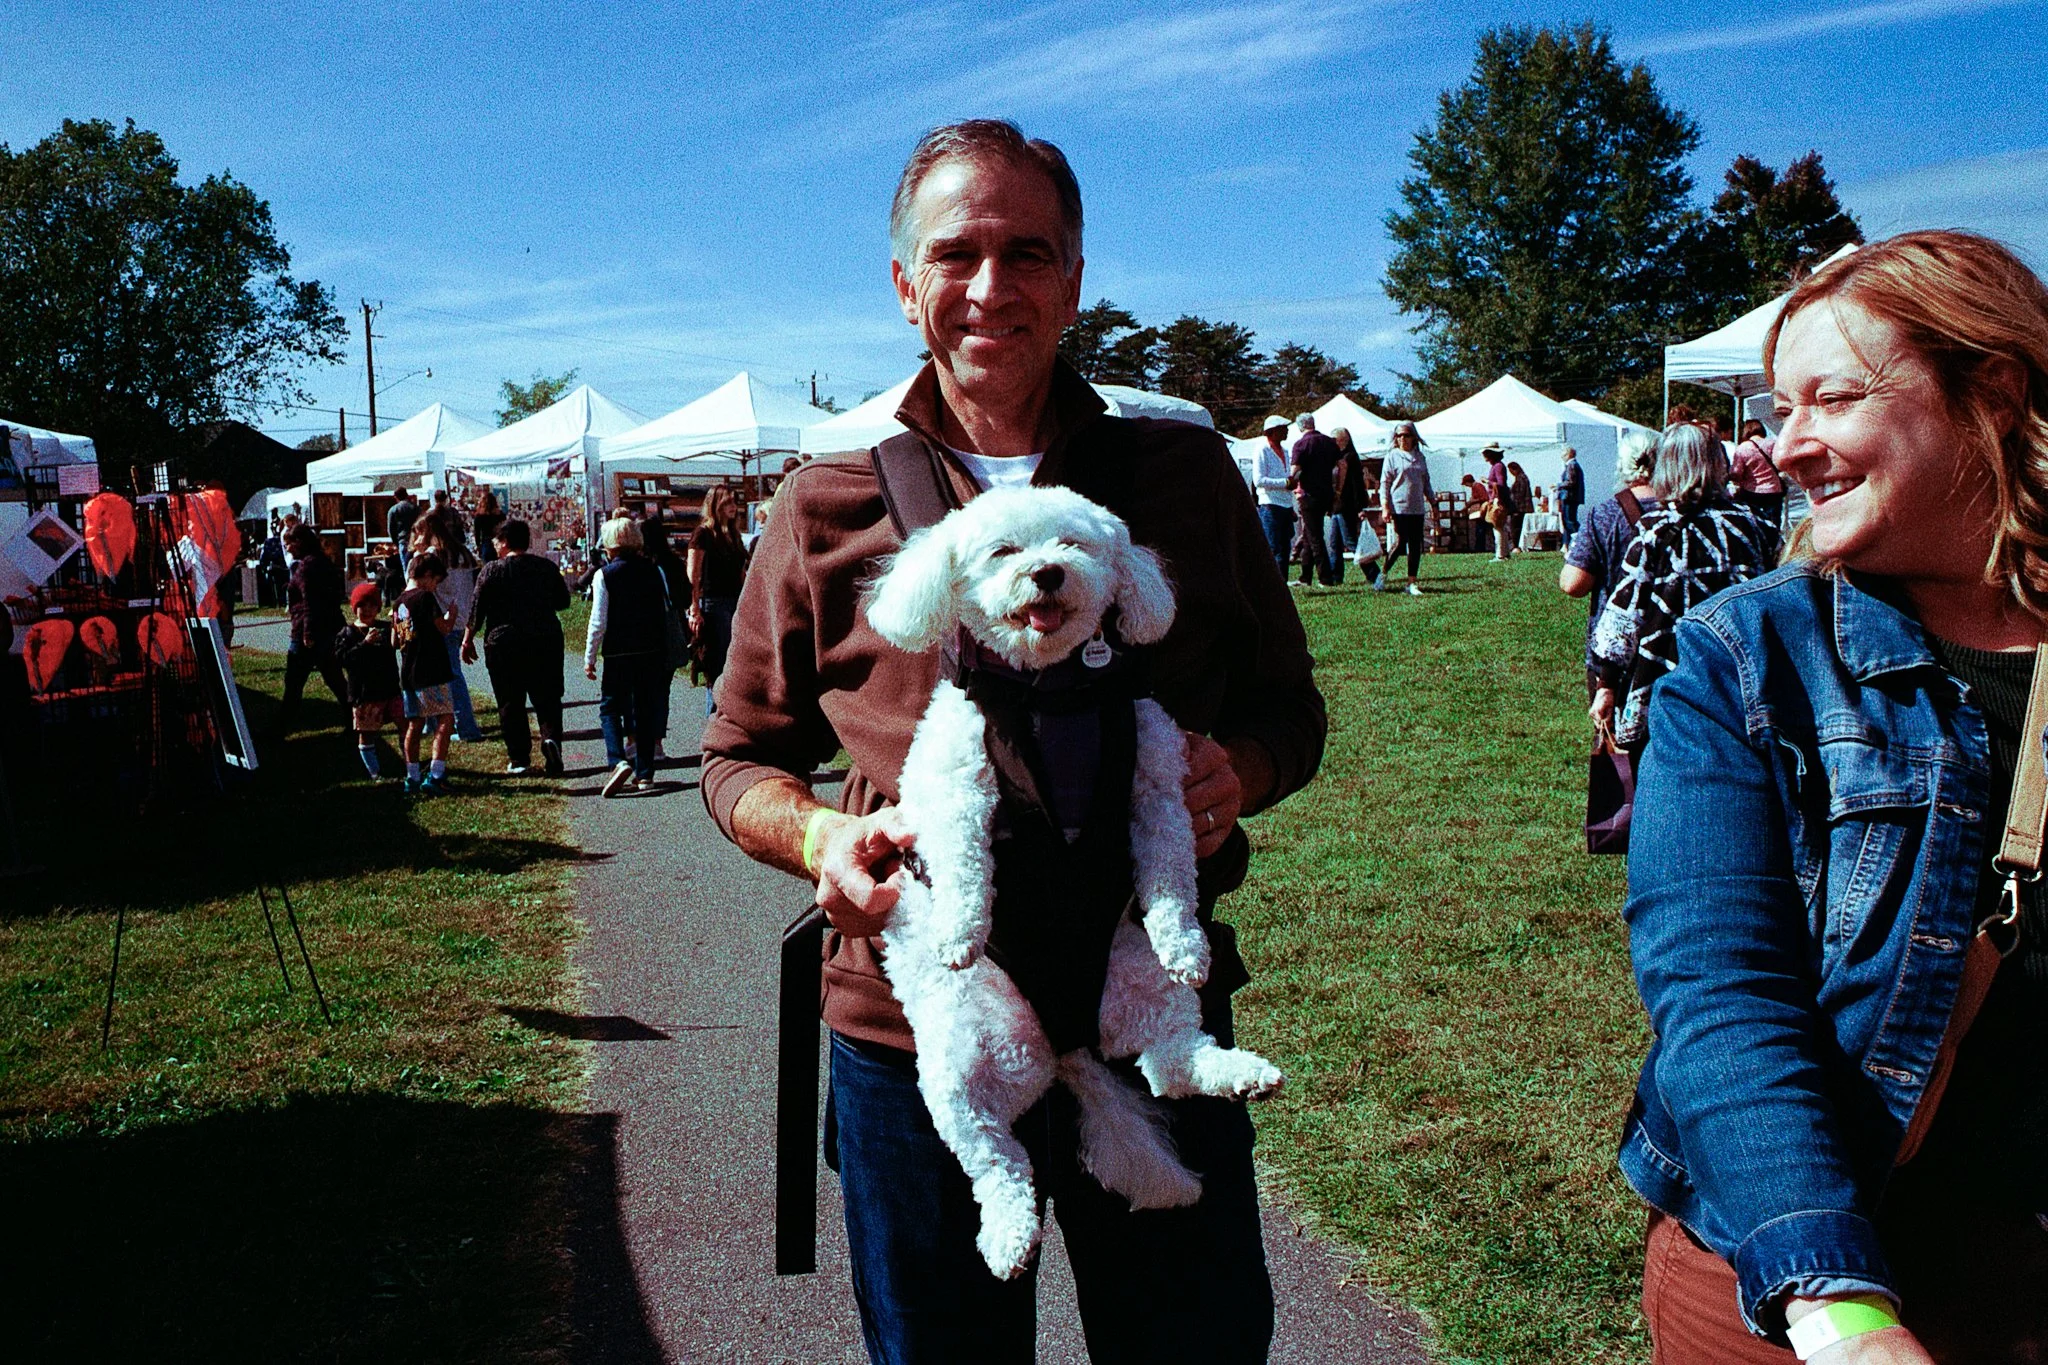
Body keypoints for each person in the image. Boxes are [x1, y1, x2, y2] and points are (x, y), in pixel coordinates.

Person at [699, 118, 1324, 1362]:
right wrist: (820, 836)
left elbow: (1288, 710)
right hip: (918, 1026)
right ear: (904, 284)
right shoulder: (825, 500)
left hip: (1145, 1008)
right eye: (956, 253)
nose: (990, 287)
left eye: (1027, 253)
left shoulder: (1182, 473)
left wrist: (1237, 774)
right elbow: (735, 759)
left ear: (1074, 281)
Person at [1625, 230, 2048, 1363]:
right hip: (1803, 1275)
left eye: (1834, 398)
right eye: (1780, 408)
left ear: (1993, 392)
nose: (1785, 446)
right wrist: (1842, 1312)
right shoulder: (1747, 657)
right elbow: (1718, 993)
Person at [1588, 422, 1780, 747]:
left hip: (1670, 689)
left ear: (1666, 467)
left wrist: (1606, 685)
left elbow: (1623, 622)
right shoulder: (1757, 528)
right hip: (1747, 685)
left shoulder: (1654, 532)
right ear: (1718, 464)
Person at [463, 517, 570, 776]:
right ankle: (550, 740)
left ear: (505, 542)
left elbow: (477, 609)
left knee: (510, 700)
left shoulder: (491, 571)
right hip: (545, 638)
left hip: (504, 642)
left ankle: (520, 758)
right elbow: (563, 601)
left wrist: (467, 640)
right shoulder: (545, 567)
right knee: (548, 697)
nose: (494, 544)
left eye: (496, 540)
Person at [1560, 433, 1660, 691]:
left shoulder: (1605, 514)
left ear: (1621, 466)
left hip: (1614, 655)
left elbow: (1573, 585)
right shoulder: (1679, 511)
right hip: (1668, 649)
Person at [584, 513, 669, 796]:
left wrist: (590, 656)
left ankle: (617, 760)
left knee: (610, 707)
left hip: (618, 651)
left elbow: (599, 621)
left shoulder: (605, 575)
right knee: (644, 709)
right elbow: (663, 610)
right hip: (650, 649)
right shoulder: (655, 570)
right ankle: (645, 774)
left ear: (610, 545)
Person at [412, 508, 486, 743]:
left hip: (442, 618)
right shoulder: (462, 552)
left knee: (449, 676)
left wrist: (417, 554)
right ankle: (440, 723)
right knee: (447, 674)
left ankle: (466, 727)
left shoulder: (433, 555)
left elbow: (417, 583)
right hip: (461, 615)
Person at [394, 550, 457, 796]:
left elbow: (396, 639)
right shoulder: (425, 598)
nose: (435, 587)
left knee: (415, 723)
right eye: (436, 582)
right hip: (432, 668)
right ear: (428, 575)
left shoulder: (399, 602)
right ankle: (437, 774)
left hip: (409, 670)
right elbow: (443, 628)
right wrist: (451, 615)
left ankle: (412, 776)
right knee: (445, 718)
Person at [278, 523, 347, 733]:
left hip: (307, 633)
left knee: (294, 681)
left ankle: (281, 728)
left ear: (298, 543)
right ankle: (354, 719)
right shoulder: (322, 562)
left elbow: (310, 602)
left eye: (289, 543)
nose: (287, 548)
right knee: (335, 679)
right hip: (327, 630)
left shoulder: (307, 568)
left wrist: (307, 633)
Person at [687, 487, 747, 715]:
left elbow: (741, 572)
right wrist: (694, 607)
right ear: (716, 506)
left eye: (734, 502)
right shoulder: (703, 534)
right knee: (717, 662)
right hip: (713, 603)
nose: (733, 507)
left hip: (735, 601)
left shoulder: (733, 535)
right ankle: (715, 715)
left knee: (735, 660)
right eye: (728, 503)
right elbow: (693, 574)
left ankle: (728, 713)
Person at [334, 580, 402, 779]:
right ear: (354, 607)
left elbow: (399, 643)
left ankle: (410, 764)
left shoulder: (385, 628)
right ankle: (374, 772)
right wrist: (364, 644)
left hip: (390, 689)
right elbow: (343, 660)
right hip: (365, 694)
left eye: (372, 605)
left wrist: (398, 624)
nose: (367, 610)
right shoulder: (347, 633)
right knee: (367, 733)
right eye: (362, 605)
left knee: (405, 724)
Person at [1378, 420, 1435, 594]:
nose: (1402, 438)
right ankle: (1383, 573)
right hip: (1399, 507)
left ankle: (1411, 582)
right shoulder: (1392, 456)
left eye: (1406, 435)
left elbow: (1426, 481)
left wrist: (1433, 502)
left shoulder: (1420, 457)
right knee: (1401, 541)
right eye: (1399, 435)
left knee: (1416, 544)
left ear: (1413, 437)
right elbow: (1385, 483)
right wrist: (1385, 506)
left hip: (1417, 507)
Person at [1289, 412, 1340, 587]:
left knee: (1315, 537)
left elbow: (1295, 470)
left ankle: (1325, 577)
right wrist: (1337, 489)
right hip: (1327, 494)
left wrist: (1291, 484)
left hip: (1309, 495)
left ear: (1300, 427)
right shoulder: (1329, 442)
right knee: (1309, 536)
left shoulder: (1301, 444)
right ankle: (1305, 576)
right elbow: (1340, 465)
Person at [1249, 414, 1294, 574]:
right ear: (1272, 431)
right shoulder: (1262, 450)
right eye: (1283, 429)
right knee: (1273, 547)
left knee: (1285, 548)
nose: (1287, 431)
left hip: (1286, 504)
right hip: (1270, 505)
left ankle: (1283, 581)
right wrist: (1285, 483)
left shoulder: (1286, 451)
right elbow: (1259, 480)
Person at [1729, 418, 1785, 529]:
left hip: (1751, 492)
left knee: (1752, 523)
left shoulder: (1742, 448)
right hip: (1774, 490)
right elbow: (1781, 465)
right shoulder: (1773, 444)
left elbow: (1736, 473)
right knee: (1773, 524)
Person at [1327, 427, 1365, 583]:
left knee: (1351, 542)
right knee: (1334, 543)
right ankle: (1336, 576)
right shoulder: (1338, 458)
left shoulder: (1350, 458)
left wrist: (1359, 508)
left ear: (1343, 440)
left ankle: (1373, 573)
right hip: (1336, 507)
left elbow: (1356, 485)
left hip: (1346, 506)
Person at [1481, 445, 1514, 562]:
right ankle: (1505, 553)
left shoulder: (1498, 466)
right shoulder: (1497, 466)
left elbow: (1501, 484)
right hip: (1499, 500)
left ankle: (1500, 555)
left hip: (1498, 500)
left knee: (1498, 527)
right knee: (1501, 527)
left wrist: (1487, 481)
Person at [1554, 446, 1585, 552]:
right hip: (1570, 497)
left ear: (1569, 454)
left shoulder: (1572, 465)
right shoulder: (1572, 465)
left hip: (1569, 497)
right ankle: (1566, 544)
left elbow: (1571, 482)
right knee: (1567, 521)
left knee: (1570, 521)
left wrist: (1557, 485)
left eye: (1564, 454)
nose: (1562, 457)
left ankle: (1580, 541)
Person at [387, 489, 420, 571]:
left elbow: (391, 530)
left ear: (396, 497)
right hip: (417, 541)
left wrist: (396, 543)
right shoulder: (416, 508)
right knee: (418, 567)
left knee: (406, 568)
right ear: (406, 495)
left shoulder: (393, 510)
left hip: (403, 541)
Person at [1506, 461, 1533, 556]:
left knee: (1515, 528)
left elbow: (1519, 495)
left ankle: (1516, 546)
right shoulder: (1523, 477)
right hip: (1523, 508)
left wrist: (1514, 509)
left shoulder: (1520, 479)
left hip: (1519, 508)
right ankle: (1517, 546)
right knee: (1517, 528)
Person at [472, 489, 505, 563]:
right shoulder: (500, 515)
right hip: (499, 542)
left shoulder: (479, 516)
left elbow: (477, 534)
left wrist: (478, 547)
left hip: (486, 544)